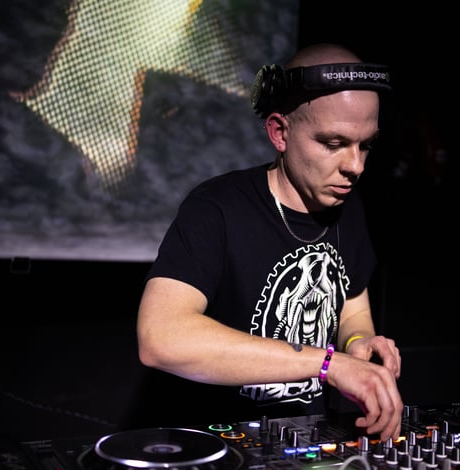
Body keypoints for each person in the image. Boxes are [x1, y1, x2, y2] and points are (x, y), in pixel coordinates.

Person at [136, 43, 403, 441]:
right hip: (218, 444)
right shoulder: (217, 208)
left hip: (308, 441)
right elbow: (160, 338)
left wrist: (358, 343)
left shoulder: (348, 208)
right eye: (334, 144)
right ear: (280, 132)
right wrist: (329, 364)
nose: (355, 166)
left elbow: (352, 309)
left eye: (365, 145)